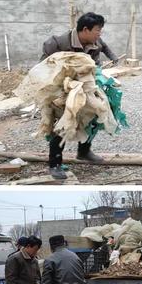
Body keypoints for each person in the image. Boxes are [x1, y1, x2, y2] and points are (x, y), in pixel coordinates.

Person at [40, 12, 119, 180]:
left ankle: (84, 152)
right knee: (63, 121)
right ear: (85, 29)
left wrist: (113, 58)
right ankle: (55, 164)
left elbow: (104, 47)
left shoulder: (95, 41)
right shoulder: (56, 43)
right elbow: (43, 69)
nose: (100, 34)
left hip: (86, 85)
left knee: (97, 112)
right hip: (60, 89)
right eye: (98, 30)